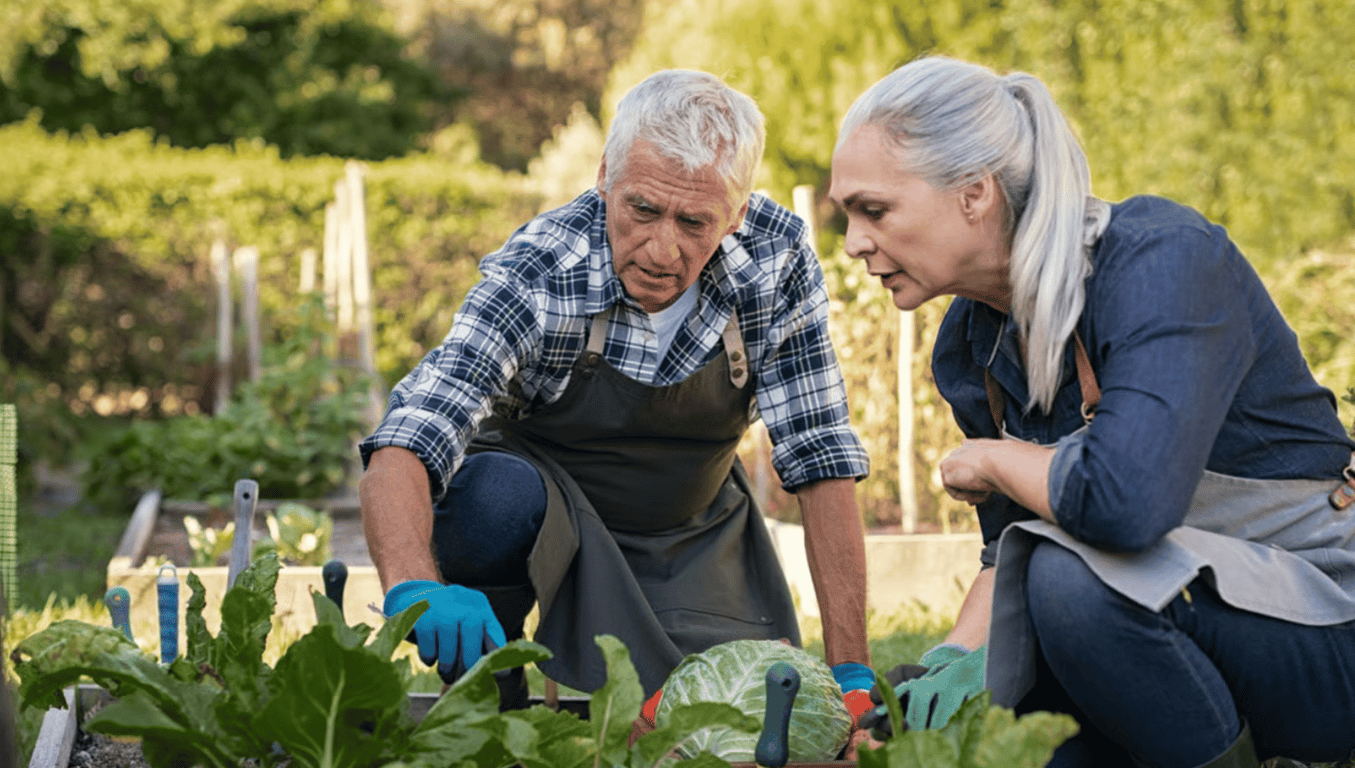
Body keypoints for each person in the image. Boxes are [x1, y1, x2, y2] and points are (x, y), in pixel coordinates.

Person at [829, 55, 1355, 768]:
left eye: (874, 210)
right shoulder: (969, 344)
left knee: (1068, 584)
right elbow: (1011, 546)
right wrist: (941, 667)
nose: (854, 242)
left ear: (973, 193)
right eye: (847, 216)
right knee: (1025, 717)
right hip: (1159, 629)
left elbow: (1124, 503)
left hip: (1322, 624)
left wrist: (993, 457)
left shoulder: (1162, 261)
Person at [358, 69, 877, 722]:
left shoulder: (775, 259)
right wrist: (413, 583)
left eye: (694, 221)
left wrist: (850, 666)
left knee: (719, 724)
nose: (662, 249)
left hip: (690, 522)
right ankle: (486, 705)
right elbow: (411, 434)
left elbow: (819, 451)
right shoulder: (542, 270)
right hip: (546, 511)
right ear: (605, 175)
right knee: (491, 497)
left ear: (738, 212)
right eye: (641, 209)